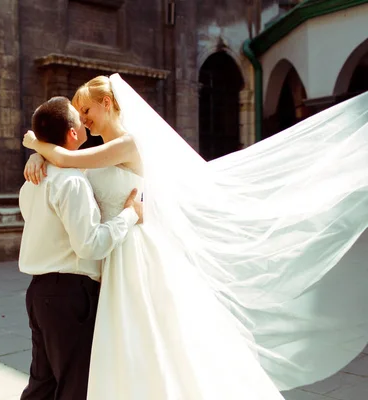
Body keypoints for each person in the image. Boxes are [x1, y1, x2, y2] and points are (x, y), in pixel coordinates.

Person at [22, 74, 368, 399]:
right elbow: (66, 161)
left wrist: (36, 143)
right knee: (120, 346)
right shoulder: (91, 155)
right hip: (113, 252)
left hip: (134, 252)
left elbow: (65, 157)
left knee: (148, 340)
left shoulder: (128, 144)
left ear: (108, 103)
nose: (83, 120)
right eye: (79, 114)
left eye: (87, 110)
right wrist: (40, 155)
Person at [18, 96, 143, 400]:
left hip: (38, 293)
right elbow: (89, 246)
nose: (85, 119)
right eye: (80, 114)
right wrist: (130, 215)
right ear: (72, 134)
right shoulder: (72, 181)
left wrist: (38, 153)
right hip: (69, 294)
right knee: (74, 387)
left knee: (42, 386)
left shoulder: (31, 183)